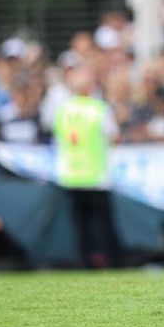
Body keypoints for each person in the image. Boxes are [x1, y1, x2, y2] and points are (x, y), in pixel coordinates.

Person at [54, 66, 121, 268]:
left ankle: (84, 260)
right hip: (96, 175)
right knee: (103, 222)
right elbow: (113, 135)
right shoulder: (98, 108)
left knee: (80, 224)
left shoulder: (63, 110)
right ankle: (110, 260)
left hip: (71, 175)